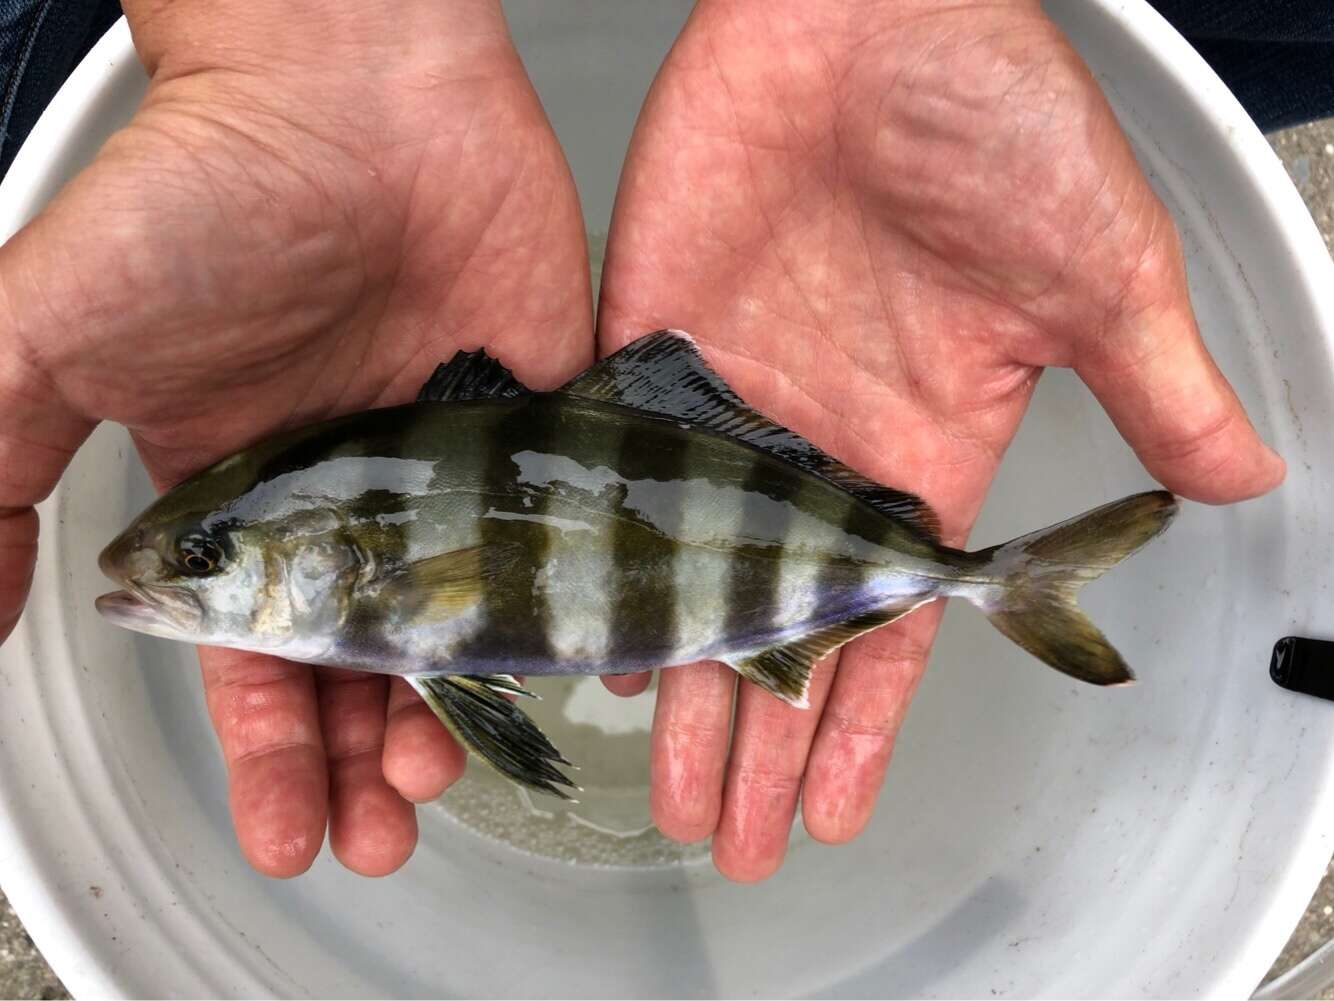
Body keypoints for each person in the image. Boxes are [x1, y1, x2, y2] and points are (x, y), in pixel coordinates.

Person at [0, 0, 1314, 882]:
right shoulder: (379, 555)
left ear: (339, 556)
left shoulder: (383, 564)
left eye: (210, 553)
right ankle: (979, 577)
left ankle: (988, 578)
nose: (172, 577)